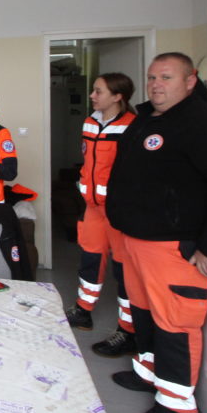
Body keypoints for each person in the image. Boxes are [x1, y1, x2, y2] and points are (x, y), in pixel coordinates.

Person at [106, 52, 207, 413]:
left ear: (190, 81)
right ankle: (148, 372)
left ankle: (175, 405)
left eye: (166, 77)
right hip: (135, 241)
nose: (156, 84)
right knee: (143, 312)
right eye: (152, 77)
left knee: (175, 324)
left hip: (172, 247)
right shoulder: (146, 119)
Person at [64, 73, 138, 359]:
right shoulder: (89, 122)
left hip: (119, 211)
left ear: (117, 96)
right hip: (92, 208)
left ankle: (127, 330)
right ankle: (83, 311)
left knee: (124, 271)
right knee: (90, 261)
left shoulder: (132, 126)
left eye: (98, 91)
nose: (92, 96)